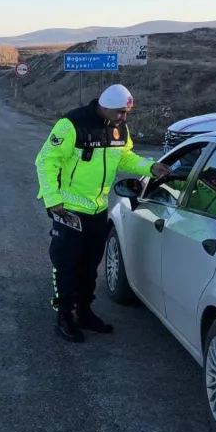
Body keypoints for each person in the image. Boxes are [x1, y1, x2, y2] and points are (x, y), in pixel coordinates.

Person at [34, 84, 171, 342]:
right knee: (66, 264)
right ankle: (64, 315)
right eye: (120, 112)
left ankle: (84, 312)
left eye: (127, 113)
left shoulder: (120, 128)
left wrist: (150, 166)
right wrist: (52, 199)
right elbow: (46, 161)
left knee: (89, 266)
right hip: (69, 209)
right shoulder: (71, 124)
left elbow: (124, 157)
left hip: (98, 209)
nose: (124, 117)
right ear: (106, 107)